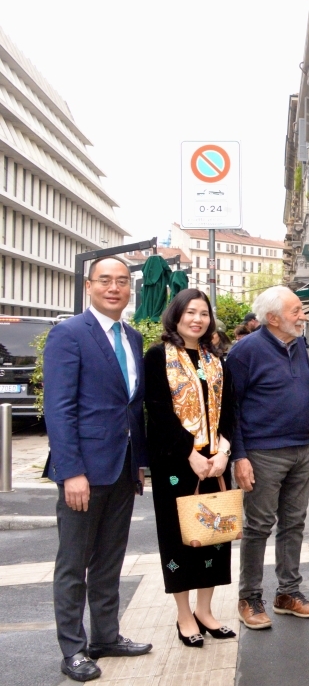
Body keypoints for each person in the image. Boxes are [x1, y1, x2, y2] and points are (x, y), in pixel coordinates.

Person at [43, 257, 152, 682]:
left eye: (122, 281)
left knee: (110, 560)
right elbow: (59, 408)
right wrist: (71, 471)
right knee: (73, 564)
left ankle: (106, 636)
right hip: (83, 472)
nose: (114, 288)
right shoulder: (68, 334)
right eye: (105, 281)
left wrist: (139, 463)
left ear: (130, 290)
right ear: (89, 286)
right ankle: (73, 649)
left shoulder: (132, 336)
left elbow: (132, 406)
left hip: (122, 469)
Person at [144, 289, 237, 647]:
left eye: (203, 314)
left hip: (215, 463)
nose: (197, 319)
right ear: (176, 316)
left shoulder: (216, 359)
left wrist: (224, 452)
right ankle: (184, 616)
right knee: (180, 539)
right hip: (176, 464)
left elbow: (229, 409)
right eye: (190, 313)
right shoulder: (157, 357)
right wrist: (190, 454)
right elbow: (159, 411)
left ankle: (205, 610)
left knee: (214, 537)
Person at [226, 286, 309, 629]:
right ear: (272, 318)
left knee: (294, 523)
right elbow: (230, 409)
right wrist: (239, 456)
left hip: (299, 449)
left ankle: (288, 594)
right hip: (261, 453)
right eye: (296, 311)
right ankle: (249, 597)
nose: (303, 316)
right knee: (258, 527)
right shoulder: (244, 352)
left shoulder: (299, 345)